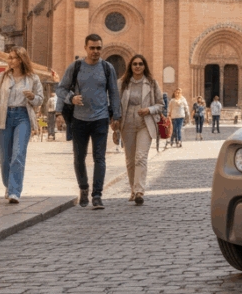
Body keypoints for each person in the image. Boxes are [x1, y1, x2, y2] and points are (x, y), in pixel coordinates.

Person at [56, 34, 121, 210]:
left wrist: (116, 117)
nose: (95, 51)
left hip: (101, 119)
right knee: (79, 158)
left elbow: (114, 93)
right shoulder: (76, 66)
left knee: (100, 158)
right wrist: (71, 98)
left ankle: (97, 195)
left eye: (98, 48)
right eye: (92, 48)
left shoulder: (107, 68)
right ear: (85, 48)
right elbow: (60, 89)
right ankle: (84, 188)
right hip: (79, 120)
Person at [0, 47, 44, 204]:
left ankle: (14, 191)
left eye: (13, 58)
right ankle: (9, 185)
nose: (9, 60)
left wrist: (32, 97)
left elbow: (40, 99)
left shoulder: (33, 78)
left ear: (21, 60)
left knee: (18, 154)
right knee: (4, 157)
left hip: (23, 117)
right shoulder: (2, 77)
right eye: (9, 57)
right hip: (4, 117)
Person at [118, 55, 165, 205]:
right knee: (130, 160)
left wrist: (149, 109)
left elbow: (161, 104)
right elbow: (115, 104)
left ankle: (139, 191)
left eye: (140, 64)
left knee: (141, 157)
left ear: (144, 66)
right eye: (134, 64)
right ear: (130, 66)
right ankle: (133, 189)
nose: (137, 66)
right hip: (127, 124)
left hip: (145, 123)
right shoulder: (122, 83)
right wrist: (114, 120)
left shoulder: (151, 83)